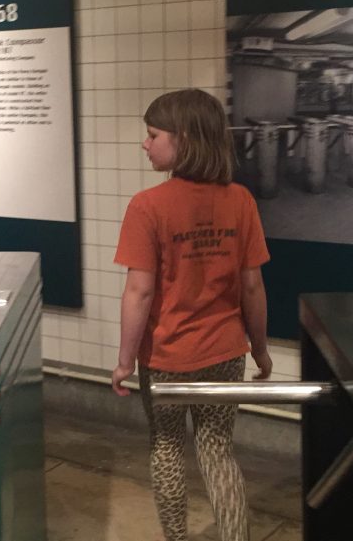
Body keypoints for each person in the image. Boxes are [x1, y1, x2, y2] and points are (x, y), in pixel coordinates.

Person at [111, 88, 272, 541]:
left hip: (166, 359)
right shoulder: (240, 200)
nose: (146, 144)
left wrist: (125, 360)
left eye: (153, 134)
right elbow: (252, 285)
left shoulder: (148, 206)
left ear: (181, 139)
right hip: (225, 352)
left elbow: (139, 292)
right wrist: (259, 348)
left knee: (166, 447)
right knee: (218, 450)